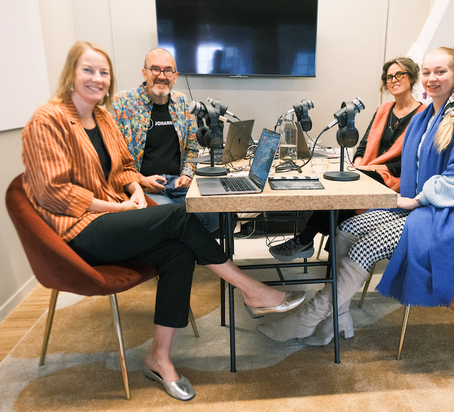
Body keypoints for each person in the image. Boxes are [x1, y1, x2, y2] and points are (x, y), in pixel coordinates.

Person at [21, 41, 305, 401]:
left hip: (113, 217)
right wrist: (120, 208)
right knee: (178, 216)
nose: (97, 78)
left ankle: (159, 358)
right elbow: (53, 194)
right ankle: (251, 289)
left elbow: (123, 168)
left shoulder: (102, 118)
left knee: (178, 250)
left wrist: (133, 191)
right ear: (70, 74)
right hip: (76, 233)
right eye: (87, 70)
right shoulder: (48, 120)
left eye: (103, 72)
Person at [258, 47, 454, 347]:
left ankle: (307, 319)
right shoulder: (426, 117)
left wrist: (416, 200)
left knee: (366, 247)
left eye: (440, 72)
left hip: (444, 212)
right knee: (346, 229)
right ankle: (338, 317)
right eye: (428, 72)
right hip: (416, 205)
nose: (432, 78)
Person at [269, 57, 425, 262]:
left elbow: (411, 161)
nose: (393, 80)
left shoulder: (423, 114)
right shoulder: (383, 110)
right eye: (389, 77)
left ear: (411, 77)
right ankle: (328, 254)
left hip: (396, 179)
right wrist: (357, 167)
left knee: (346, 192)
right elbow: (363, 145)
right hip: (369, 171)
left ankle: (307, 240)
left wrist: (371, 170)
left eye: (399, 74)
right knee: (341, 184)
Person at [111, 48, 218, 233]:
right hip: (142, 186)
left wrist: (187, 174)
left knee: (215, 215)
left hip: (176, 183)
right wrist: (141, 180)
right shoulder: (122, 103)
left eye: (167, 70)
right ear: (144, 73)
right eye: (155, 69)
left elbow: (192, 147)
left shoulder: (182, 102)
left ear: (175, 76)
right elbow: (113, 158)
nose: (162, 76)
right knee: (173, 219)